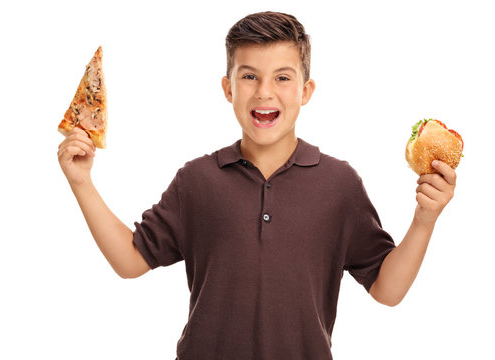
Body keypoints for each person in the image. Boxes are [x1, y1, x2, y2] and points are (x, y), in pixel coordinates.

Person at [57, 11, 457, 360]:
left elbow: (387, 290)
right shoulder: (197, 180)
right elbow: (130, 261)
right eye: (249, 76)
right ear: (228, 88)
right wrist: (81, 183)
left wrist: (425, 219)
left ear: (306, 91)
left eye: (282, 77)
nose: (264, 91)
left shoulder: (340, 184)